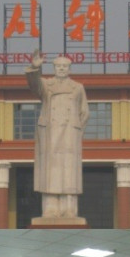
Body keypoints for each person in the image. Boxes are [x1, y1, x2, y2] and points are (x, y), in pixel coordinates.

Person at [25, 50, 89, 219]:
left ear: (70, 68)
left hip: (70, 134)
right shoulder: (46, 85)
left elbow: (84, 112)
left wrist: (76, 131)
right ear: (53, 68)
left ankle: (69, 209)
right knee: (51, 171)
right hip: (51, 133)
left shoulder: (77, 87)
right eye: (58, 66)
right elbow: (33, 85)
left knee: (69, 172)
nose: (61, 69)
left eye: (65, 66)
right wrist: (35, 68)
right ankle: (50, 209)